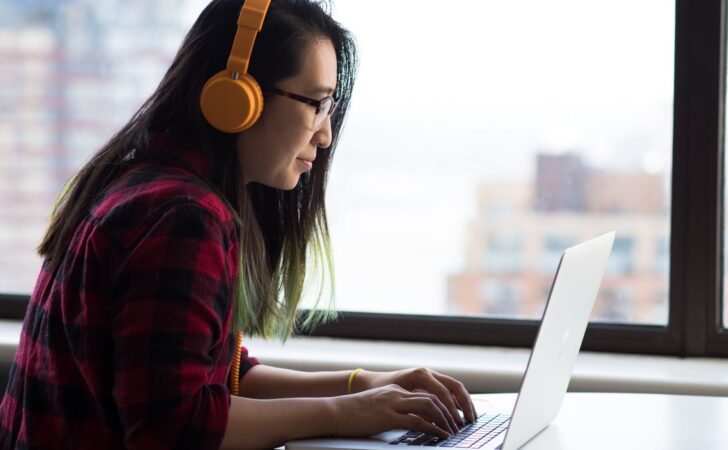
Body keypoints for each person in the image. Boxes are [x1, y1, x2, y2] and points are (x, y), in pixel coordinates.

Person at [0, 1, 476, 448]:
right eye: (316, 104)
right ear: (237, 95)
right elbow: (174, 425)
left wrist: (363, 384)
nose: (326, 134)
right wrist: (346, 413)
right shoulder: (182, 216)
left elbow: (218, 373)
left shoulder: (147, 183)